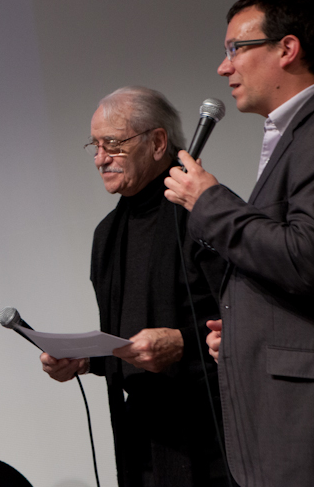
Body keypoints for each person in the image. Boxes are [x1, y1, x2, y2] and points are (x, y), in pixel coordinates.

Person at [165, 0, 314, 487]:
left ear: (287, 49)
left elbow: (309, 258)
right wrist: (244, 332)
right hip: (287, 420)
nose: (223, 66)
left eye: (236, 48)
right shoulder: (300, 133)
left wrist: (207, 200)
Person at [41, 87, 227, 487]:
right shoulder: (107, 235)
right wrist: (87, 360)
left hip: (213, 429)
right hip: (141, 437)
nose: (99, 158)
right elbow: (129, 344)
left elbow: (248, 318)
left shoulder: (204, 213)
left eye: (113, 144)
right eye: (95, 145)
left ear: (158, 142)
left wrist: (182, 344)